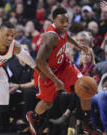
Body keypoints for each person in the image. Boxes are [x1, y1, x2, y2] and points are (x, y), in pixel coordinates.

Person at [26, 7, 87, 135]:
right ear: (54, 21)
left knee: (84, 85)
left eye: (67, 21)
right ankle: (34, 116)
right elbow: (39, 61)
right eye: (62, 22)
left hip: (63, 64)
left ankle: (81, 124)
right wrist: (55, 79)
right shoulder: (51, 37)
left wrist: (77, 45)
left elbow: (66, 36)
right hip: (47, 72)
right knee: (47, 103)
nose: (65, 24)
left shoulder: (62, 28)